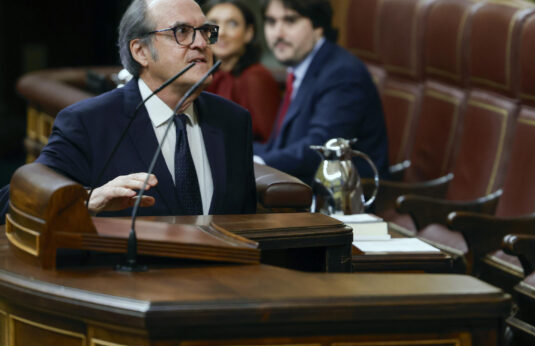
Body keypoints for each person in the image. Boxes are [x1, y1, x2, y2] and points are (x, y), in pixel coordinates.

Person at [0, 0, 256, 221]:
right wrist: (88, 199)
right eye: (182, 31)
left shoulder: (233, 120)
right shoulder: (88, 123)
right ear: (140, 51)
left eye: (205, 31)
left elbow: (247, 224)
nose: (201, 43)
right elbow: (14, 202)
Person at [253, 0, 389, 184]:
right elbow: (281, 146)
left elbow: (321, 149)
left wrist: (260, 163)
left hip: (342, 200)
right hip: (299, 189)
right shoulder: (300, 68)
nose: (278, 33)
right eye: (271, 21)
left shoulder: (341, 72)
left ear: (318, 26)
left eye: (290, 20)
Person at [203, 0, 281, 142]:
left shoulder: (256, 77)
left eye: (232, 24)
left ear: (248, 33)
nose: (221, 33)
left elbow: (269, 140)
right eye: (213, 24)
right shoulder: (206, 75)